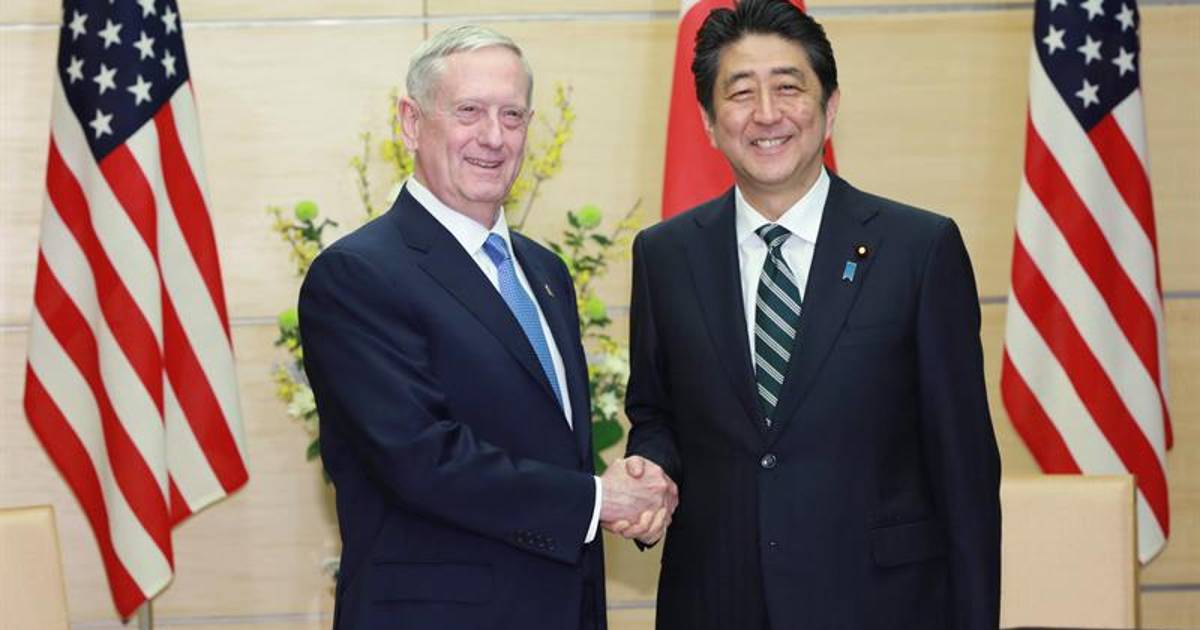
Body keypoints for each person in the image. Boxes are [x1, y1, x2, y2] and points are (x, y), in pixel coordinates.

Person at [623, 1, 1002, 628]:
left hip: (881, 605)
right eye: (740, 93)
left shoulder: (918, 249)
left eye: (788, 88)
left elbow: (964, 471)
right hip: (717, 603)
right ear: (709, 123)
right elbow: (656, 412)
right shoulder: (665, 255)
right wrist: (650, 469)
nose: (766, 114)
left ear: (829, 108)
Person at [299, 25, 675, 630]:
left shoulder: (544, 271)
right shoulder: (357, 274)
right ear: (411, 122)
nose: (494, 137)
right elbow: (421, 460)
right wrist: (599, 500)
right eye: (469, 111)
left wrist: (636, 488)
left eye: (512, 115)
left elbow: (556, 446)